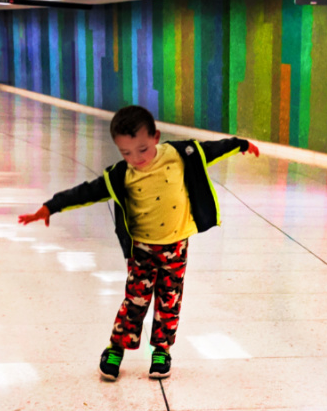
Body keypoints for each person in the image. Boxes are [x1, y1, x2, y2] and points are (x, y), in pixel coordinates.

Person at [18, 105, 259, 380]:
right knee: (135, 300)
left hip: (176, 246)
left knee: (170, 299)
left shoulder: (182, 154)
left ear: (155, 137)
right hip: (142, 250)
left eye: (142, 149)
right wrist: (51, 207)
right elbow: (87, 191)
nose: (136, 158)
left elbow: (214, 148)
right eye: (126, 152)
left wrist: (240, 144)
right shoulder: (123, 174)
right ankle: (115, 347)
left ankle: (161, 350)